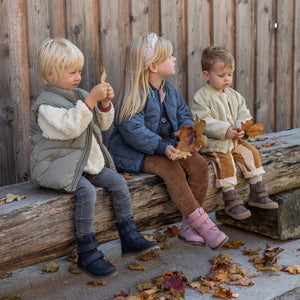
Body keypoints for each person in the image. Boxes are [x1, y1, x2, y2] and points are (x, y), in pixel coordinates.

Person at [29, 38, 158, 278]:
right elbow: (71, 127)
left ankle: (128, 235)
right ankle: (87, 251)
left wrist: (105, 105)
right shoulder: (46, 106)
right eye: (72, 72)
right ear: (51, 73)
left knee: (118, 182)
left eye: (79, 71)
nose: (78, 77)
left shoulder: (78, 94)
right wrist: (89, 101)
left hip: (84, 162)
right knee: (86, 192)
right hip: (56, 165)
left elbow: (101, 124)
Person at [109, 33, 228, 250]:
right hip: (136, 152)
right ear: (153, 66)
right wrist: (162, 147)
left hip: (166, 147)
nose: (174, 59)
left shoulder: (169, 90)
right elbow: (133, 131)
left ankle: (189, 227)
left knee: (200, 165)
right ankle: (204, 225)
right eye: (169, 56)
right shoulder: (135, 94)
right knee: (171, 169)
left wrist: (189, 138)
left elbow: (183, 114)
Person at [190, 46, 278, 221]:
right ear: (207, 75)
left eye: (229, 74)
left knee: (251, 153)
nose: (226, 79)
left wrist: (240, 128)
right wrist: (224, 130)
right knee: (225, 161)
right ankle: (230, 199)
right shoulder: (201, 97)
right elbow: (202, 121)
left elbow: (243, 114)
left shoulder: (234, 96)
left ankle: (257, 192)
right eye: (221, 75)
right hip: (215, 143)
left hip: (235, 141)